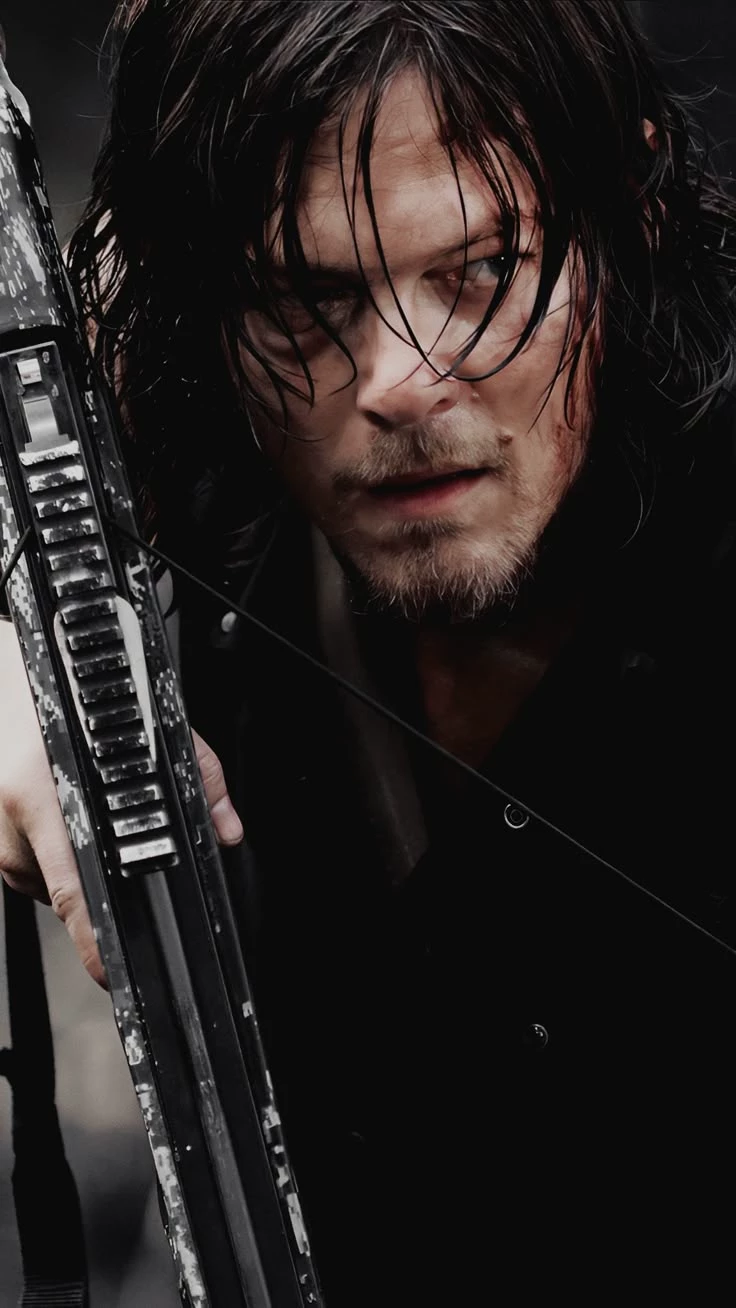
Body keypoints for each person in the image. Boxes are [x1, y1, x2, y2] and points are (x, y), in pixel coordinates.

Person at [3, 0, 736, 1300]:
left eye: (483, 269)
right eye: (309, 297)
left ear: (634, 216)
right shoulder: (212, 452)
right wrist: (21, 652)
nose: (397, 380)